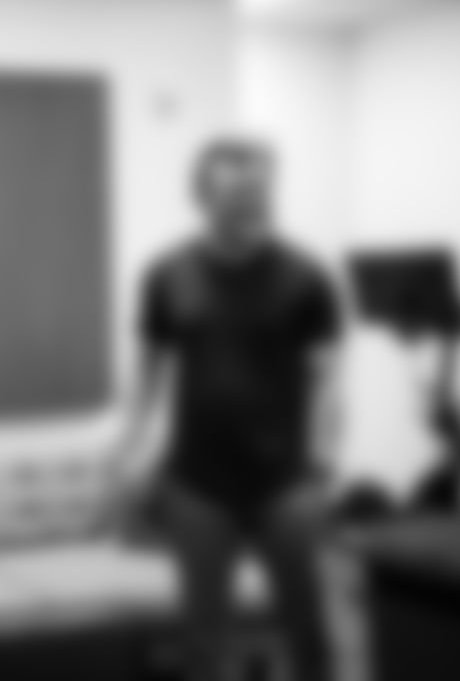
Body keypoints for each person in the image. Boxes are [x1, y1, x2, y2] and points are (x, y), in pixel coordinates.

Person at [111, 138, 344, 681]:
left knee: (308, 628)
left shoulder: (308, 275)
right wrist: (127, 449)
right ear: (202, 196)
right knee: (203, 638)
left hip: (286, 484)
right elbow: (148, 374)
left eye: (259, 190)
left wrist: (326, 458)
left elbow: (327, 378)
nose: (250, 203)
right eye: (235, 192)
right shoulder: (166, 273)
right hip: (197, 487)